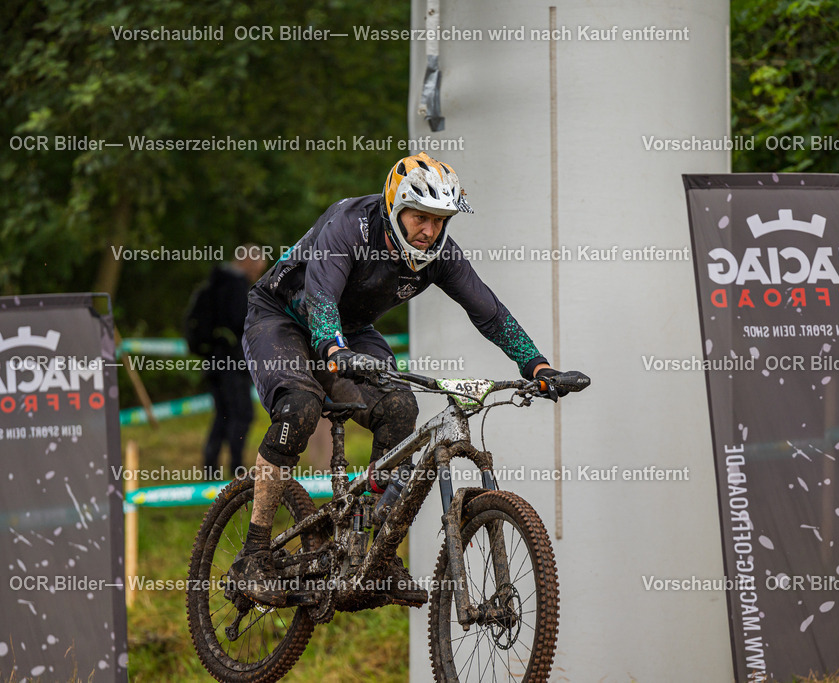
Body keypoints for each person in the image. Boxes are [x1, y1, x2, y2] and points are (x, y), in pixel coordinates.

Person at [229, 153, 572, 607]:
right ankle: (252, 553)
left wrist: (536, 366)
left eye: (439, 220)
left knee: (401, 408)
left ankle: (377, 550)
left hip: (351, 334)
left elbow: (487, 311)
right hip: (282, 317)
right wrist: (332, 347)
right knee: (299, 407)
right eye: (419, 217)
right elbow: (322, 292)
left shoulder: (439, 255)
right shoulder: (350, 223)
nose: (428, 230)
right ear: (394, 207)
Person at [186, 249, 266, 479]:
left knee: (222, 414)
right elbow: (242, 322)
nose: (257, 275)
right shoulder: (236, 287)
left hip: (213, 361)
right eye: (258, 269)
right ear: (249, 263)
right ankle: (237, 468)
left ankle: (210, 468)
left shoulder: (213, 284)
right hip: (232, 363)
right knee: (241, 414)